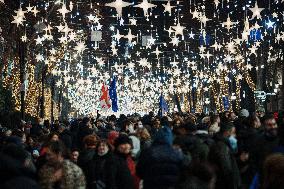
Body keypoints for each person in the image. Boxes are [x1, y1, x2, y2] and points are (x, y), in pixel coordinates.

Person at [136, 121, 185, 189]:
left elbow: (139, 171)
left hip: (151, 185)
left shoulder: (148, 152)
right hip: (171, 185)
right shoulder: (176, 153)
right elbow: (183, 171)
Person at [208, 122, 241, 189]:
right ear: (227, 132)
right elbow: (226, 168)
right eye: (233, 133)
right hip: (223, 183)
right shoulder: (222, 147)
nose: (234, 135)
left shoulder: (221, 143)